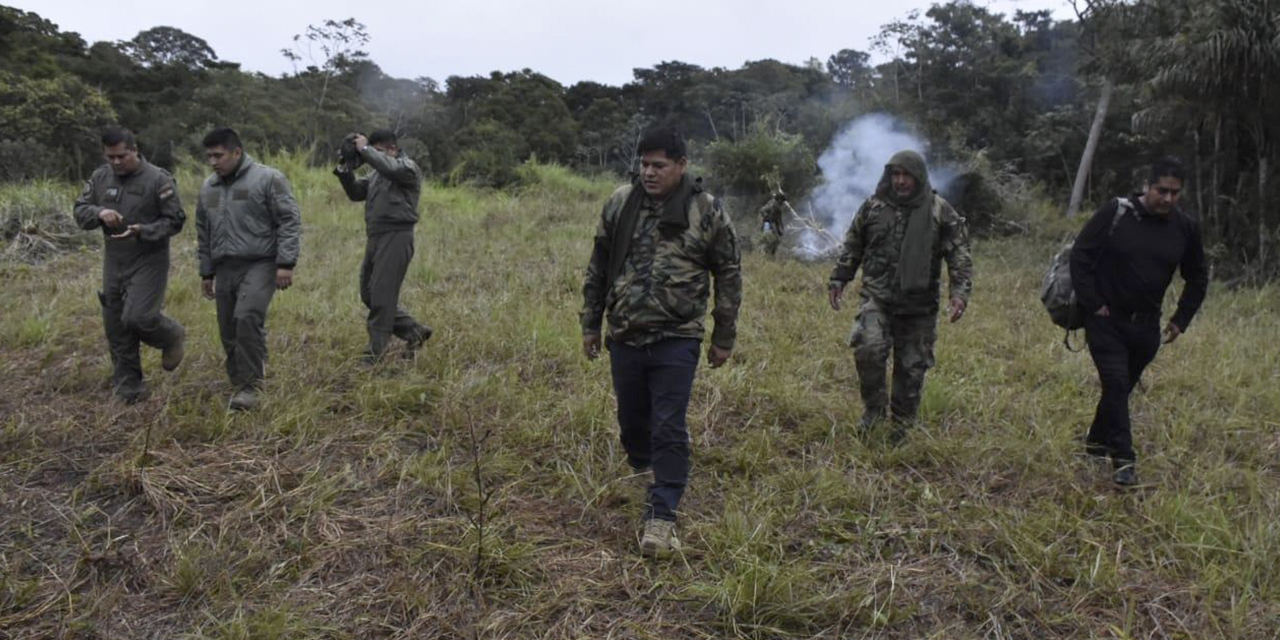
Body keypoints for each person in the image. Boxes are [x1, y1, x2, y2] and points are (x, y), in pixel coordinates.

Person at [580, 128, 742, 557]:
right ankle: (643, 467)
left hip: (678, 336)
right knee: (633, 422)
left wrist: (724, 334)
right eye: (644, 164)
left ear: (681, 165)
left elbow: (728, 272)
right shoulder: (619, 202)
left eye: (659, 165)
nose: (648, 173)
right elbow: (598, 264)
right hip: (626, 333)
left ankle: (662, 514)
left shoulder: (705, 211)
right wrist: (591, 323)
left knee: (669, 425)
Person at [1069, 156, 1207, 486]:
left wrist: (1181, 318)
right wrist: (1093, 303)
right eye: (1162, 190)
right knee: (1115, 383)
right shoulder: (1116, 214)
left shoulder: (1185, 228)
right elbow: (1081, 255)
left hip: (1147, 327)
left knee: (1121, 390)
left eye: (1176, 193)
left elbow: (1198, 276)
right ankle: (1124, 460)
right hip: (1106, 321)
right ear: (1148, 185)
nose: (1169, 199)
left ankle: (1095, 444)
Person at [827, 150, 973, 441]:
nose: (901, 181)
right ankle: (873, 412)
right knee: (868, 349)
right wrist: (839, 277)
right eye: (896, 174)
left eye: (907, 175)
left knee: (911, 368)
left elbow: (959, 255)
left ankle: (903, 425)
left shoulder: (939, 210)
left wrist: (959, 293)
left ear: (918, 177)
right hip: (877, 298)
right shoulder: (873, 207)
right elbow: (853, 245)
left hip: (919, 305)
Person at [73, 128, 187, 404]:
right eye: (110, 156)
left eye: (122, 156)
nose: (116, 162)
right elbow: (80, 210)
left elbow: (175, 221)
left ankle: (171, 335)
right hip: (114, 258)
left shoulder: (158, 179)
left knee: (138, 317)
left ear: (135, 150)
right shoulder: (100, 177)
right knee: (115, 324)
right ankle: (129, 387)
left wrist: (142, 230)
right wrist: (99, 212)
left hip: (148, 258)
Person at [195, 128, 302, 411]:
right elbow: (203, 230)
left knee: (246, 318)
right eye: (209, 157)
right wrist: (206, 272)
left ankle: (251, 386)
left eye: (218, 155)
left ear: (237, 152)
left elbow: (289, 220)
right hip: (224, 265)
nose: (213, 162)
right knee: (228, 326)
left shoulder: (268, 178)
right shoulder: (209, 187)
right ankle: (238, 377)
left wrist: (285, 263)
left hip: (260, 262)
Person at [333, 130, 432, 363]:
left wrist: (366, 150)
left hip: (397, 236)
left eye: (377, 152)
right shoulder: (377, 176)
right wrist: (345, 168)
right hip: (376, 236)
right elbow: (357, 192)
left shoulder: (407, 168)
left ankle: (375, 353)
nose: (371, 158)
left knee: (381, 296)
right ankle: (414, 331)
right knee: (368, 293)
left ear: (392, 150)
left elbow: (388, 168)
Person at [758, 191, 787, 256]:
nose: (782, 203)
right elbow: (762, 211)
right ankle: (763, 254)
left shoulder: (777, 207)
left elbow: (779, 220)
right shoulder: (772, 204)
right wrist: (766, 218)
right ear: (779, 200)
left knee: (775, 240)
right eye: (782, 201)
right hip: (767, 223)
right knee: (767, 239)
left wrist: (780, 230)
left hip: (771, 224)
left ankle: (770, 255)